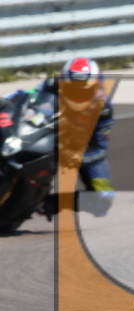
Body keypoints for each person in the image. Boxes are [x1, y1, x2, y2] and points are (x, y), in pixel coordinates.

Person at [2, 57, 115, 219]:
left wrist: (75, 156)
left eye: (84, 88)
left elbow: (99, 146)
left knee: (104, 197)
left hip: (77, 148)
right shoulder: (52, 84)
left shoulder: (103, 109)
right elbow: (26, 95)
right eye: (73, 87)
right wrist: (6, 100)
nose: (78, 93)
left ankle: (53, 202)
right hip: (45, 130)